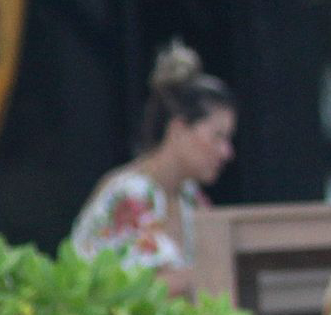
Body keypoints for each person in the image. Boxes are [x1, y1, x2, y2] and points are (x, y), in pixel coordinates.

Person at [69, 40, 235, 297]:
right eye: (217, 137)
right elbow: (140, 291)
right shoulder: (130, 192)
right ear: (178, 130)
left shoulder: (190, 198)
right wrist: (205, 275)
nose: (227, 152)